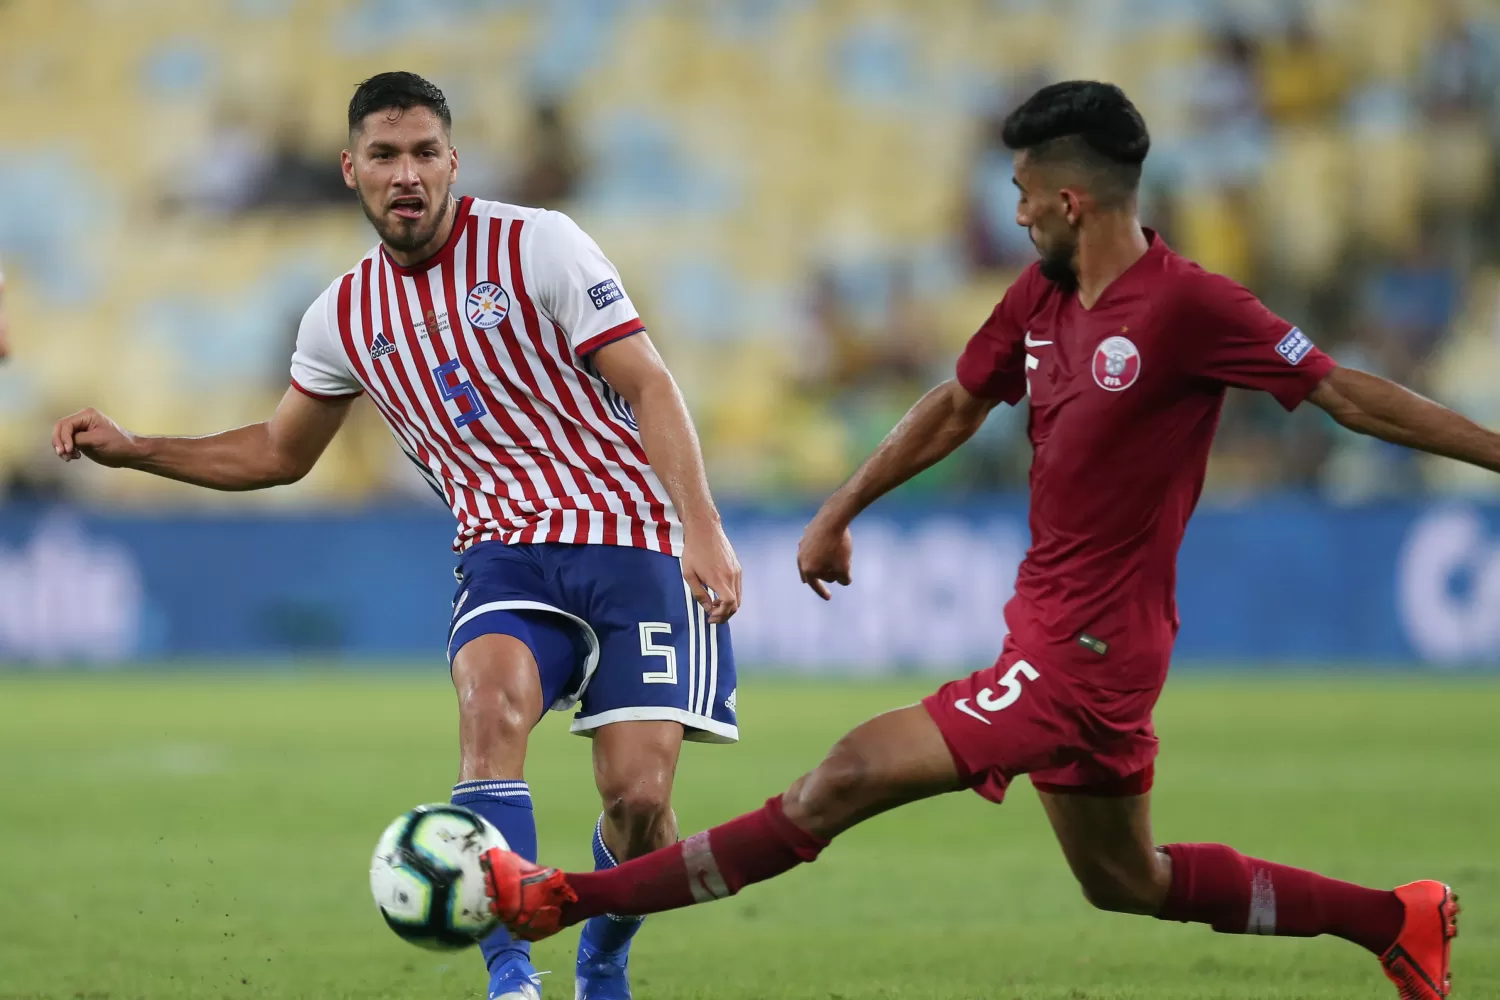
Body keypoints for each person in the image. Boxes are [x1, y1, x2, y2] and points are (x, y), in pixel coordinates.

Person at [478, 82, 1473, 1000]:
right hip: (1044, 632)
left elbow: (1345, 392)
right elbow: (958, 404)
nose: (1016, 212)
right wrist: (840, 507)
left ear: (1071, 202)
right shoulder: (1041, 297)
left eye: (1024, 192)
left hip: (1092, 655)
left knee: (845, 777)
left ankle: (570, 897)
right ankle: (1395, 918)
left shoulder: (1189, 307)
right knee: (1126, 879)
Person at [51, 72, 742, 1000]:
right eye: (384, 155)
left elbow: (651, 383)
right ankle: (511, 981)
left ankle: (602, 958)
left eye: (424, 152)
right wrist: (138, 450)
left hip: (634, 538)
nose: (406, 173)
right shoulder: (341, 316)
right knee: (488, 709)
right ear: (351, 170)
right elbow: (278, 451)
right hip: (503, 551)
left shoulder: (541, 245)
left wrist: (703, 526)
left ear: (454, 161)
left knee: (640, 802)